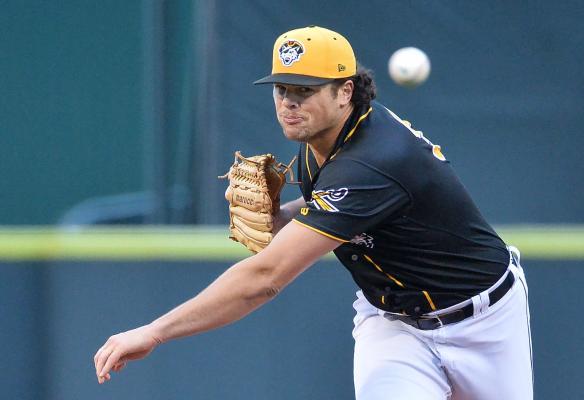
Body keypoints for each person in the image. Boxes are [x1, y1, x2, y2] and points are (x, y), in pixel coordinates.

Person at [94, 26, 533, 399]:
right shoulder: (322, 146)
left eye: (305, 90)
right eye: (282, 89)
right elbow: (352, 209)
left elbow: (265, 279)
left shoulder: (375, 159)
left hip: (486, 322)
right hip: (394, 327)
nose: (288, 102)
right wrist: (281, 217)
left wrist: (155, 330)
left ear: (345, 92)